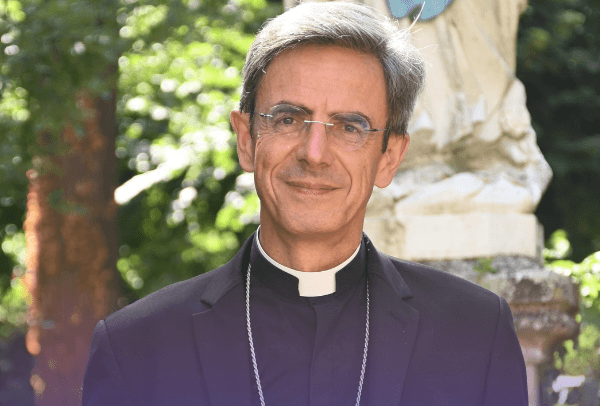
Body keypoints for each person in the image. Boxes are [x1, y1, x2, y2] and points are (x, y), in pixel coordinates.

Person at [82, 2, 528, 405]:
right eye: (288, 119)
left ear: (389, 157)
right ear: (246, 139)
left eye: (350, 127)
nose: (314, 154)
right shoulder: (136, 349)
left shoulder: (475, 333)